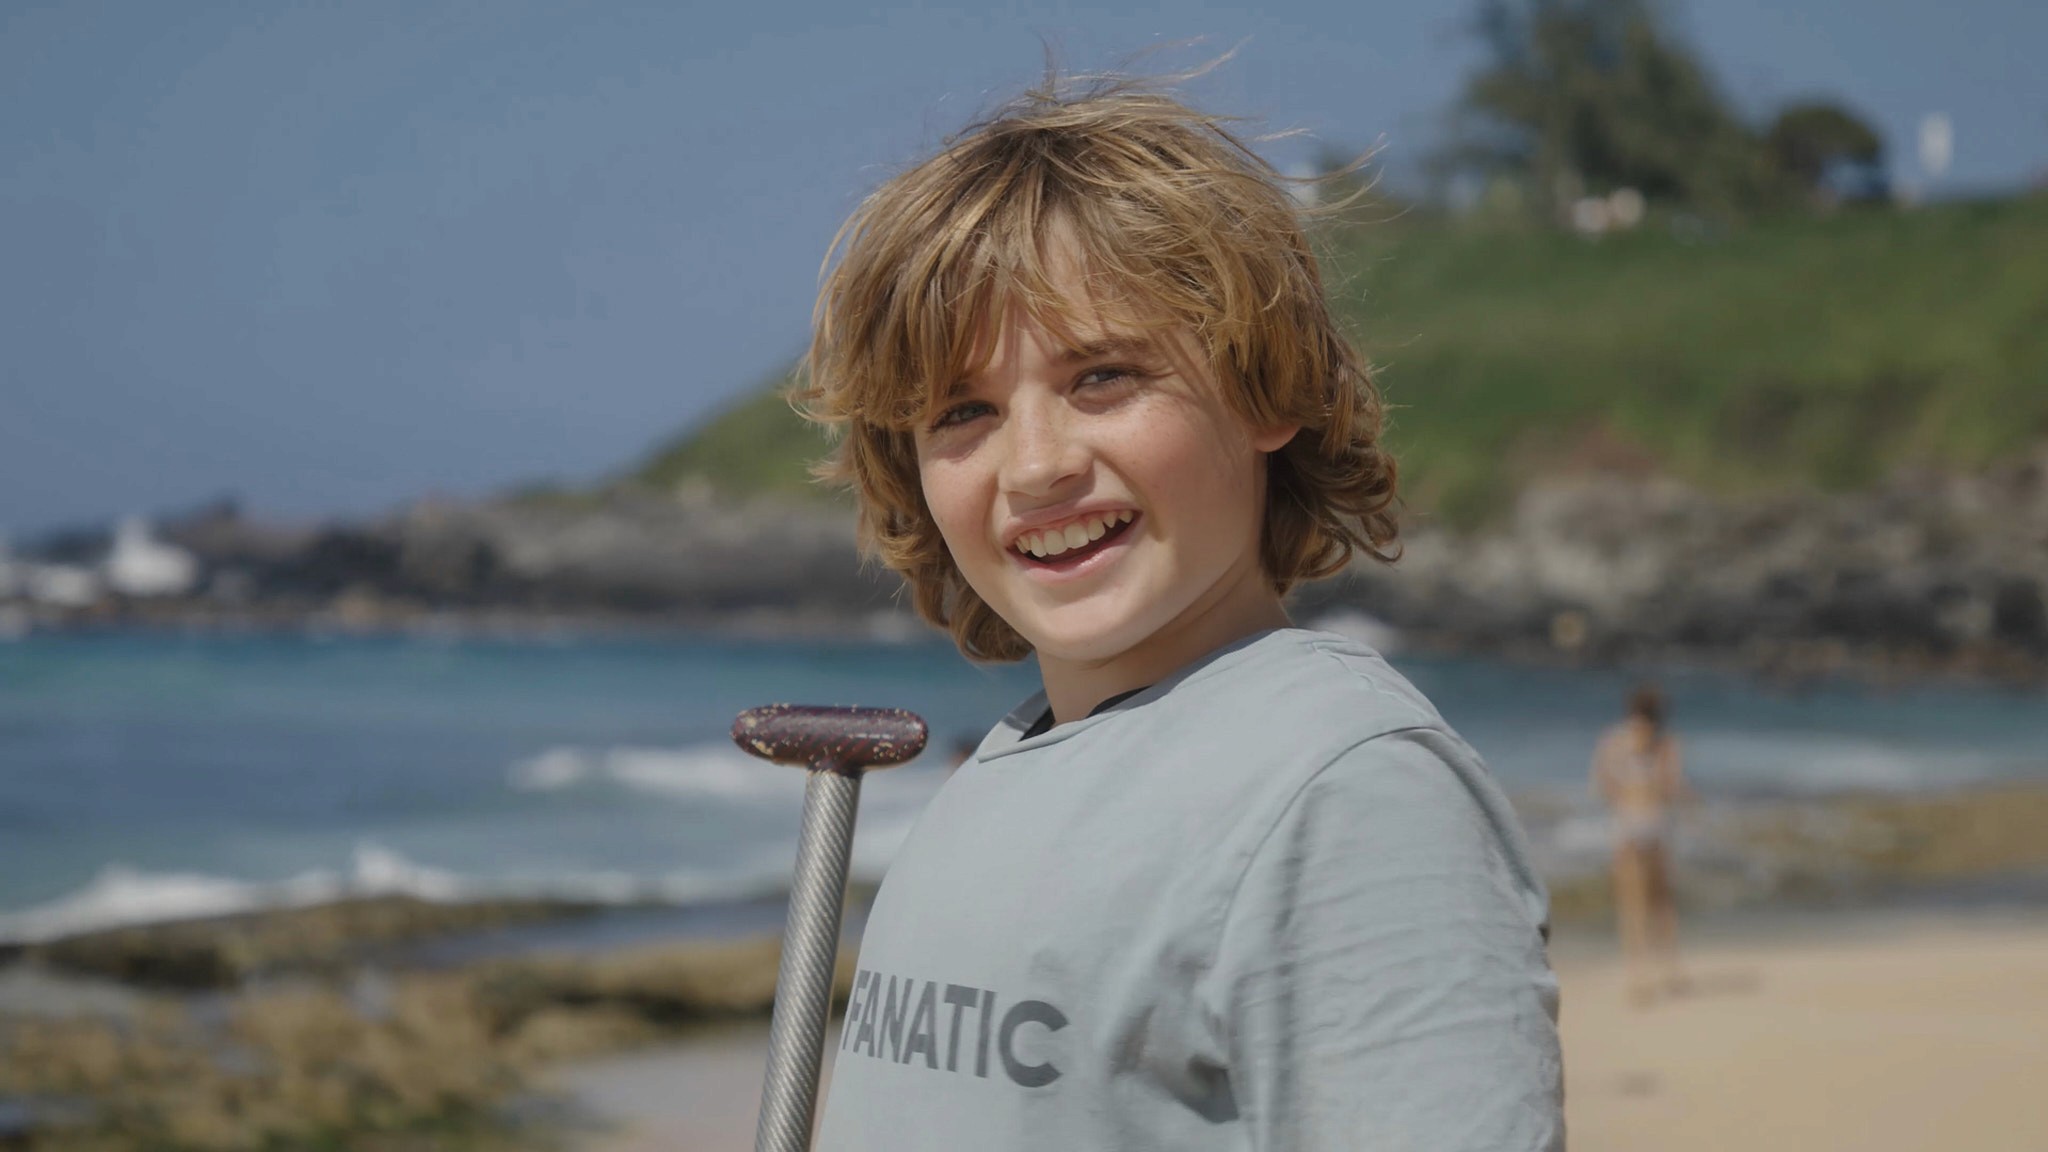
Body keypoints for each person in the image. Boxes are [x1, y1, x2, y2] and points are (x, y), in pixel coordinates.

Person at [797, 73, 1563, 1150]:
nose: (1033, 466)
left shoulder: (1342, 793)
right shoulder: (1001, 774)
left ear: (1264, 389)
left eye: (1102, 376)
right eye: (961, 411)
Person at [1591, 683, 1691, 1005]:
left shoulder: (1617, 739)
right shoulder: (1662, 743)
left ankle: (1644, 973)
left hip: (1631, 822)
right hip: (1650, 823)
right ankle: (1662, 970)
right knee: (1657, 900)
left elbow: (1603, 783)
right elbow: (1671, 787)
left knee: (1640, 902)